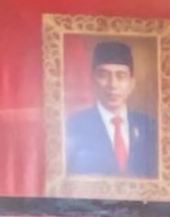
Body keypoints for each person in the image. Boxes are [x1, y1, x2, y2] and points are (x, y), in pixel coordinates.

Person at [64, 39, 159, 178]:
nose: (113, 84)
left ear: (131, 84)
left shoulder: (149, 126)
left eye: (121, 76)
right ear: (92, 82)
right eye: (104, 75)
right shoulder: (74, 125)